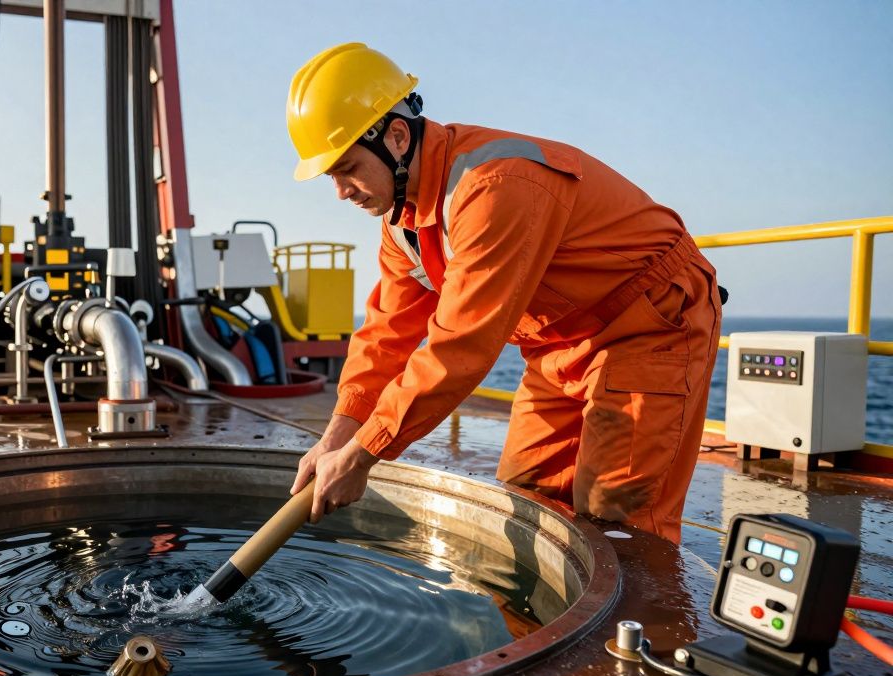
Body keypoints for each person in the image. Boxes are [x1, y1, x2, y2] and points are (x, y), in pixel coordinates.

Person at [286, 43, 721, 543]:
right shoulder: (403, 220)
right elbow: (386, 334)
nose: (340, 190)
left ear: (398, 137)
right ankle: (543, 626)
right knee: (527, 506)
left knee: (616, 523)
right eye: (331, 176)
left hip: (647, 327)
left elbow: (460, 347)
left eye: (347, 168)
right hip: (560, 344)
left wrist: (365, 453)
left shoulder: (493, 186)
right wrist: (336, 438)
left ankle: (640, 623)